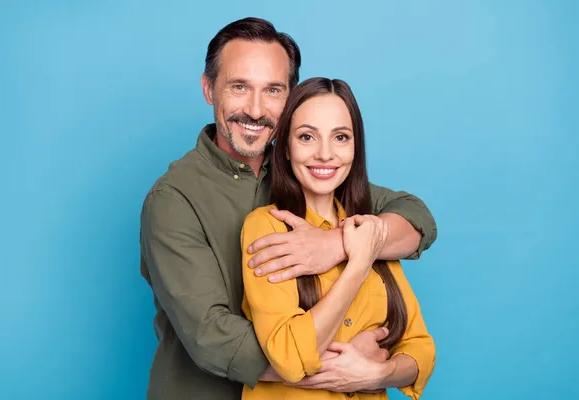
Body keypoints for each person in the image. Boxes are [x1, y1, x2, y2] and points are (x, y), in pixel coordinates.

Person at [140, 17, 437, 400]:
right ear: (208, 89)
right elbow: (215, 339)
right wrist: (349, 367)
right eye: (239, 87)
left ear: (292, 99)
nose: (255, 109)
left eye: (273, 90)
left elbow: (415, 218)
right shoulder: (172, 199)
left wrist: (337, 245)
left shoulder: (310, 172)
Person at [241, 77, 435, 400]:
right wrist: (359, 262)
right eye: (307, 137)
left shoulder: (367, 227)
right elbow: (289, 356)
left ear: (355, 147)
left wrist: (376, 374)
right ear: (286, 148)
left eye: (340, 137)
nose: (325, 154)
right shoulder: (266, 228)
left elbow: (421, 348)